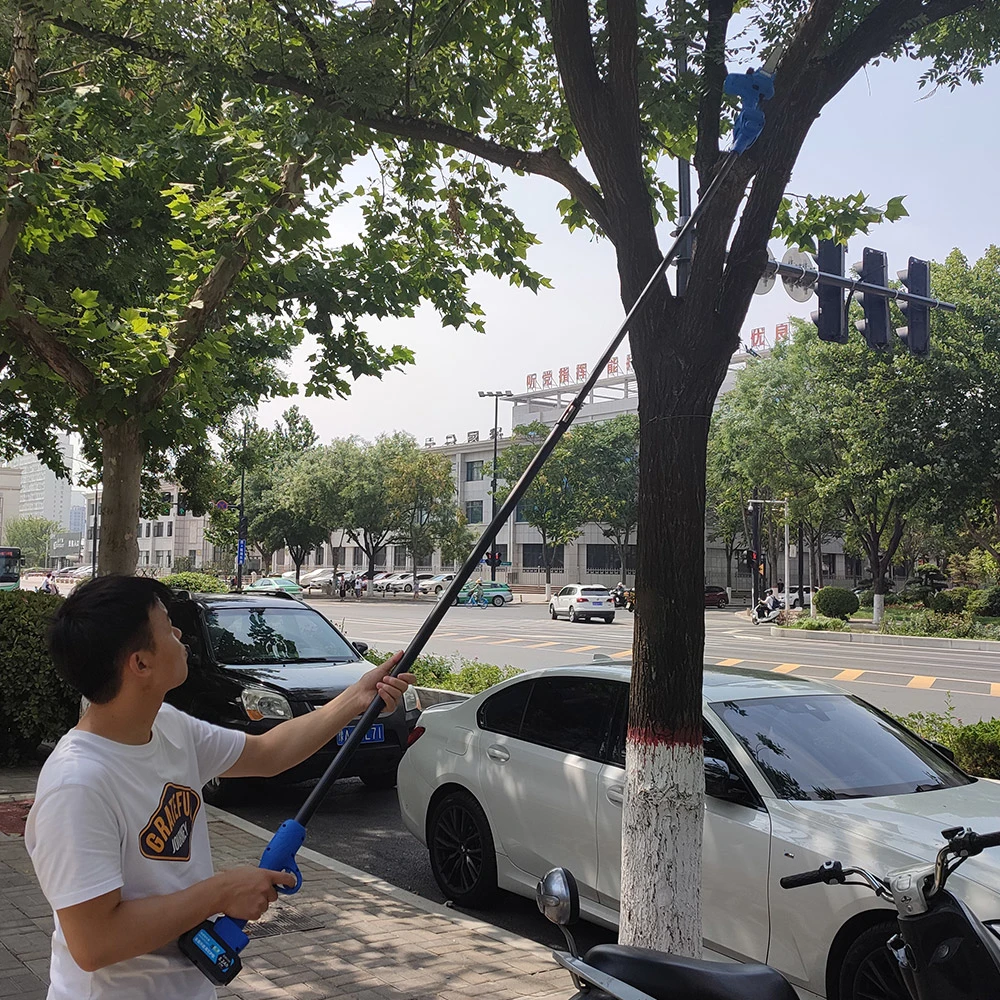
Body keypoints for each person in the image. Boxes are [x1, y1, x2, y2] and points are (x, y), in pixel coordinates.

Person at [25, 575, 414, 1000]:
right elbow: (94, 943)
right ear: (140, 664)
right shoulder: (78, 784)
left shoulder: (167, 727)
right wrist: (222, 891)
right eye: (167, 626)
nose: (179, 634)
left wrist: (355, 699)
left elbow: (269, 752)